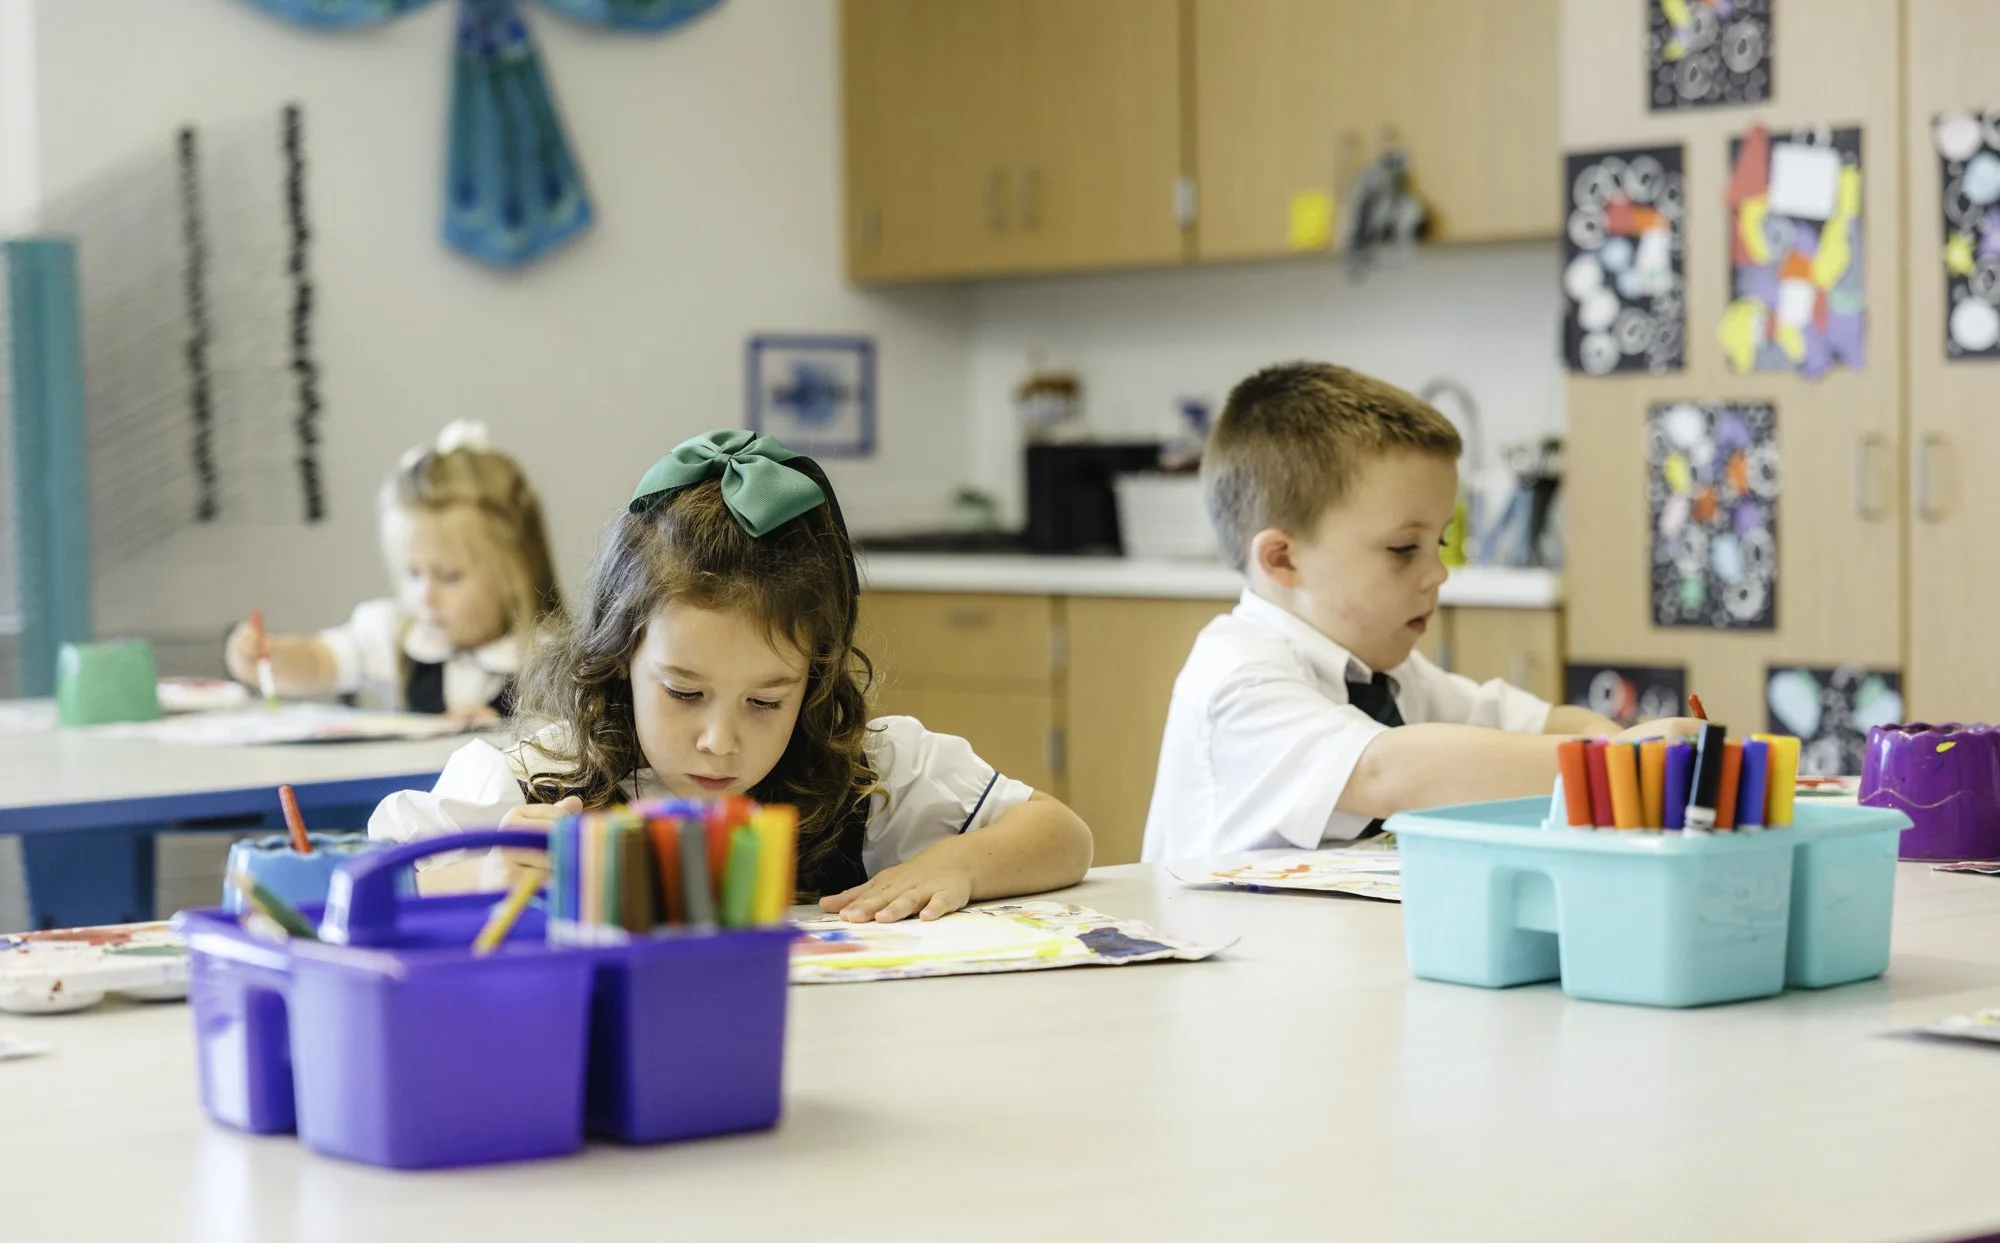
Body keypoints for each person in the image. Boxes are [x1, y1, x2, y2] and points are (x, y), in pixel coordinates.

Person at [370, 429, 1094, 922]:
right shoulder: (540, 780)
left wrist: (962, 862)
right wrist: (480, 878)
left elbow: (1063, 834)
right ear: (621, 655)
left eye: (765, 700)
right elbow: (362, 895)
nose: (720, 740)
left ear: (813, 678)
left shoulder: (868, 776)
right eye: (684, 692)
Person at [1143, 362, 1696, 860]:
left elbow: (1535, 723)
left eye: (1440, 543)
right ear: (1283, 559)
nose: (1437, 573)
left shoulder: (1386, 674)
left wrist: (1608, 742)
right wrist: (1607, 764)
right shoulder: (1239, 676)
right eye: (1404, 549)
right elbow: (1386, 770)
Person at [224, 420, 559, 723]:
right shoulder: (394, 635)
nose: (425, 595)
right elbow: (318, 661)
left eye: (449, 576)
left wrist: (503, 734)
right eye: (413, 574)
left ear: (515, 572)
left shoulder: (552, 659)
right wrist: (267, 658)